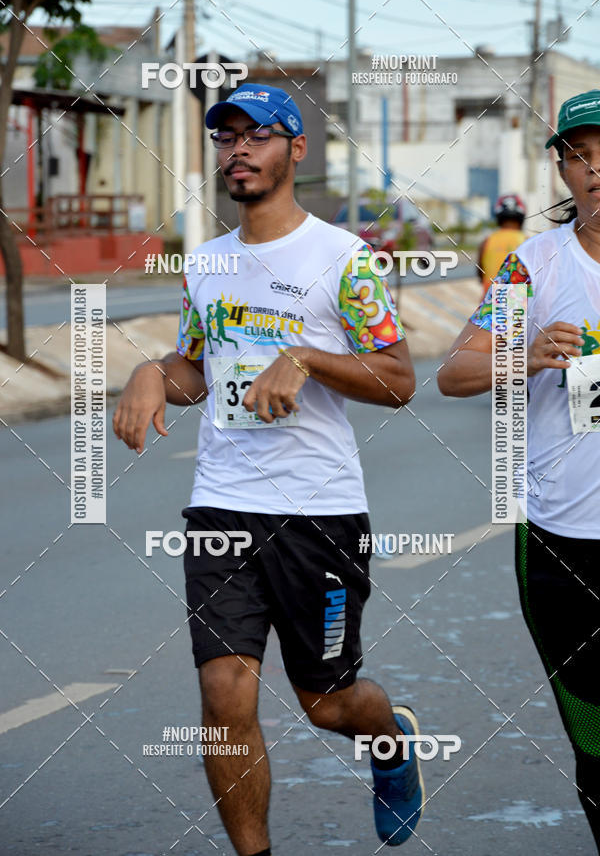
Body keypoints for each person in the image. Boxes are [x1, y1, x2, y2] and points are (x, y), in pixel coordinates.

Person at [113, 83, 424, 853]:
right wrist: (153, 371)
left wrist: (307, 359)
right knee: (223, 696)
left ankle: (390, 740)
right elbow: (194, 371)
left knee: (325, 700)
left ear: (296, 149)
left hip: (319, 513)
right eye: (226, 138)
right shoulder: (208, 263)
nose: (238, 149)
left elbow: (398, 381)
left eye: (257, 135)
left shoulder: (342, 259)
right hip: (221, 504)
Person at [437, 89, 600, 852]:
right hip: (562, 542)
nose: (596, 171)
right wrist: (526, 353)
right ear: (563, 169)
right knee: (597, 746)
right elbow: (455, 372)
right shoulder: (535, 267)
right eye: (580, 156)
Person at [477, 193, 527, 294]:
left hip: (489, 304)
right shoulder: (527, 241)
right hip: (518, 304)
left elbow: (480, 274)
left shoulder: (487, 241)